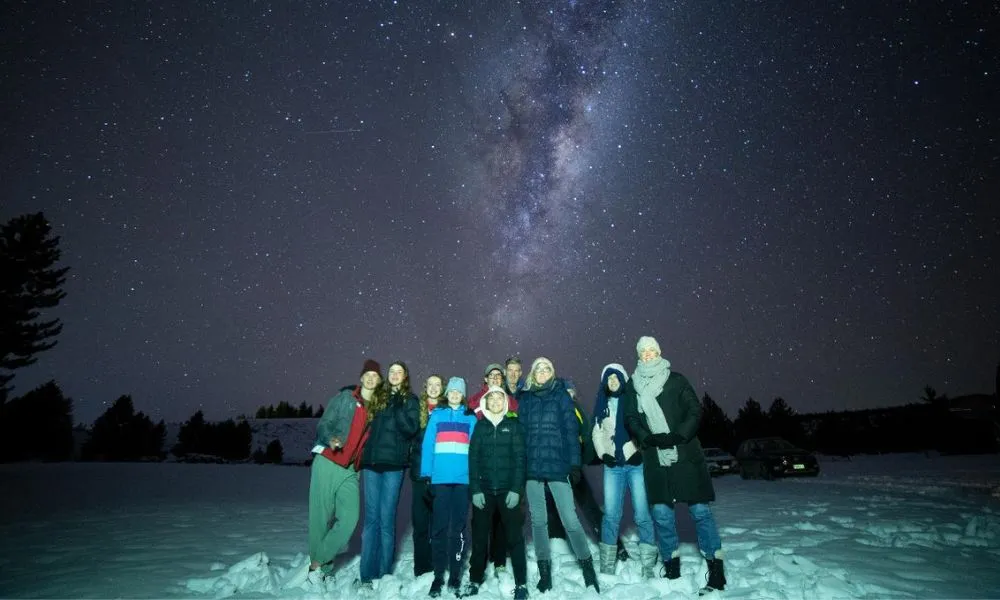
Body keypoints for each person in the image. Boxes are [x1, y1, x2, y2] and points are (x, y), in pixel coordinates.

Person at [622, 336, 726, 594]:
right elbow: (631, 416)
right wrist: (646, 438)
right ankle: (671, 565)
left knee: (700, 511)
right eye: (642, 351)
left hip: (684, 453)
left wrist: (679, 434)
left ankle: (716, 570)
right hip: (655, 456)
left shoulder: (676, 379)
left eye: (651, 350)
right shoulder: (632, 385)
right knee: (661, 514)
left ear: (659, 351)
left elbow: (695, 410)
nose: (647, 354)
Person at [517, 357, 600, 593]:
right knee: (539, 522)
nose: (542, 372)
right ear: (532, 374)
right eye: (538, 369)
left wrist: (574, 465)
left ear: (552, 373)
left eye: (547, 369)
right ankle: (545, 574)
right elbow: (521, 436)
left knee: (570, 520)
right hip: (532, 469)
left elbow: (571, 433)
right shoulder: (526, 400)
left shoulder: (561, 396)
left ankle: (588, 569)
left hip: (558, 467)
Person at [307, 359, 380, 577]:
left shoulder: (376, 408)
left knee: (349, 518)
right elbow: (324, 424)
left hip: (351, 469)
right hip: (328, 460)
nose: (370, 378)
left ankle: (319, 560)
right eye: (367, 374)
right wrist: (331, 438)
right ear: (361, 378)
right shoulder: (345, 397)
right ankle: (321, 571)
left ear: (379, 381)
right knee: (320, 518)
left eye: (375, 376)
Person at [544, 379, 629, 563]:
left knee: (589, 507)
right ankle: (558, 546)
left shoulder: (575, 409)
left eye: (569, 393)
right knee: (552, 508)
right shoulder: (551, 411)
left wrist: (588, 457)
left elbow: (586, 434)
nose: (567, 396)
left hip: (573, 468)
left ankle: (613, 545)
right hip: (553, 468)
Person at [358, 361, 420, 589]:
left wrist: (397, 406)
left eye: (399, 371)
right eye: (391, 371)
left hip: (394, 465)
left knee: (386, 519)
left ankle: (384, 574)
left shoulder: (410, 400)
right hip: (372, 464)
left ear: (405, 377)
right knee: (370, 519)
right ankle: (366, 574)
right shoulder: (378, 397)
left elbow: (411, 428)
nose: (394, 374)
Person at [592, 363, 656, 577]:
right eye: (608, 379)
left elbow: (643, 425)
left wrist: (638, 449)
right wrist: (604, 454)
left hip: (635, 463)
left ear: (622, 379)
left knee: (642, 513)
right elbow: (597, 433)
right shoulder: (602, 404)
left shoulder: (632, 400)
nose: (612, 381)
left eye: (616, 378)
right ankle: (607, 567)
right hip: (613, 466)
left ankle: (648, 566)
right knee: (610, 515)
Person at [466, 386, 529, 599]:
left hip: (507, 491)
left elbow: (520, 460)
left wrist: (516, 490)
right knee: (479, 538)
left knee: (514, 538)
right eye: (491, 398)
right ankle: (475, 579)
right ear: (486, 402)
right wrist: (475, 489)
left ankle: (521, 584)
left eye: (499, 398)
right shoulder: (480, 427)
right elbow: (473, 460)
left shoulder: (513, 426)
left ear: (505, 402)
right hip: (483, 492)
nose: (495, 402)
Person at [421, 377, 478, 597]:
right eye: (451, 391)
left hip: (463, 480)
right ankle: (438, 577)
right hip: (441, 480)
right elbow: (428, 445)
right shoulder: (437, 415)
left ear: (463, 394)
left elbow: (475, 451)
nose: (454, 394)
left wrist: (474, 477)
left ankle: (454, 576)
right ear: (447, 393)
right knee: (439, 528)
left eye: (458, 392)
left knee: (458, 528)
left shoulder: (469, 418)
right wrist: (427, 474)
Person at [465, 362, 519, 577]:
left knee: (501, 518)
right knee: (481, 520)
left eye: (499, 375)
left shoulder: (510, 402)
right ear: (485, 379)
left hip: (503, 467)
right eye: (492, 375)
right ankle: (478, 563)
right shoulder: (474, 401)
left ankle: (499, 559)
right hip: (482, 465)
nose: (496, 378)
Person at [409, 374, 444, 577]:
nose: (433, 387)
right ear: (425, 387)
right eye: (430, 384)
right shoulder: (416, 410)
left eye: (437, 384)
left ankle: (437, 562)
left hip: (440, 475)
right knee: (420, 523)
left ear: (443, 388)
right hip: (419, 475)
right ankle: (421, 567)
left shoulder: (447, 410)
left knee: (438, 522)